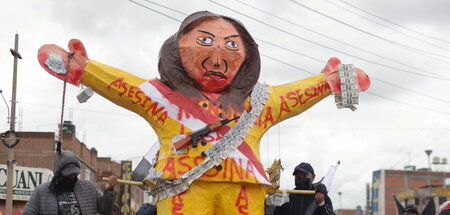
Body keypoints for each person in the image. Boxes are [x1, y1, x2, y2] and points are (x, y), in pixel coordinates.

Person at [37, 11, 370, 215]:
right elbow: (128, 87)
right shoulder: (164, 97)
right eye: (206, 41)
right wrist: (85, 70)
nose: (217, 55)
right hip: (186, 188)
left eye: (230, 45)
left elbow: (295, 94)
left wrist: (330, 82)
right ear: (179, 49)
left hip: (243, 189)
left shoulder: (259, 100)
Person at [23, 149, 117, 215]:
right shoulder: (41, 192)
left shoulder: (89, 188)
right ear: (58, 173)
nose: (72, 177)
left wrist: (108, 191)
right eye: (68, 174)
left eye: (75, 174)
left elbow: (106, 211)